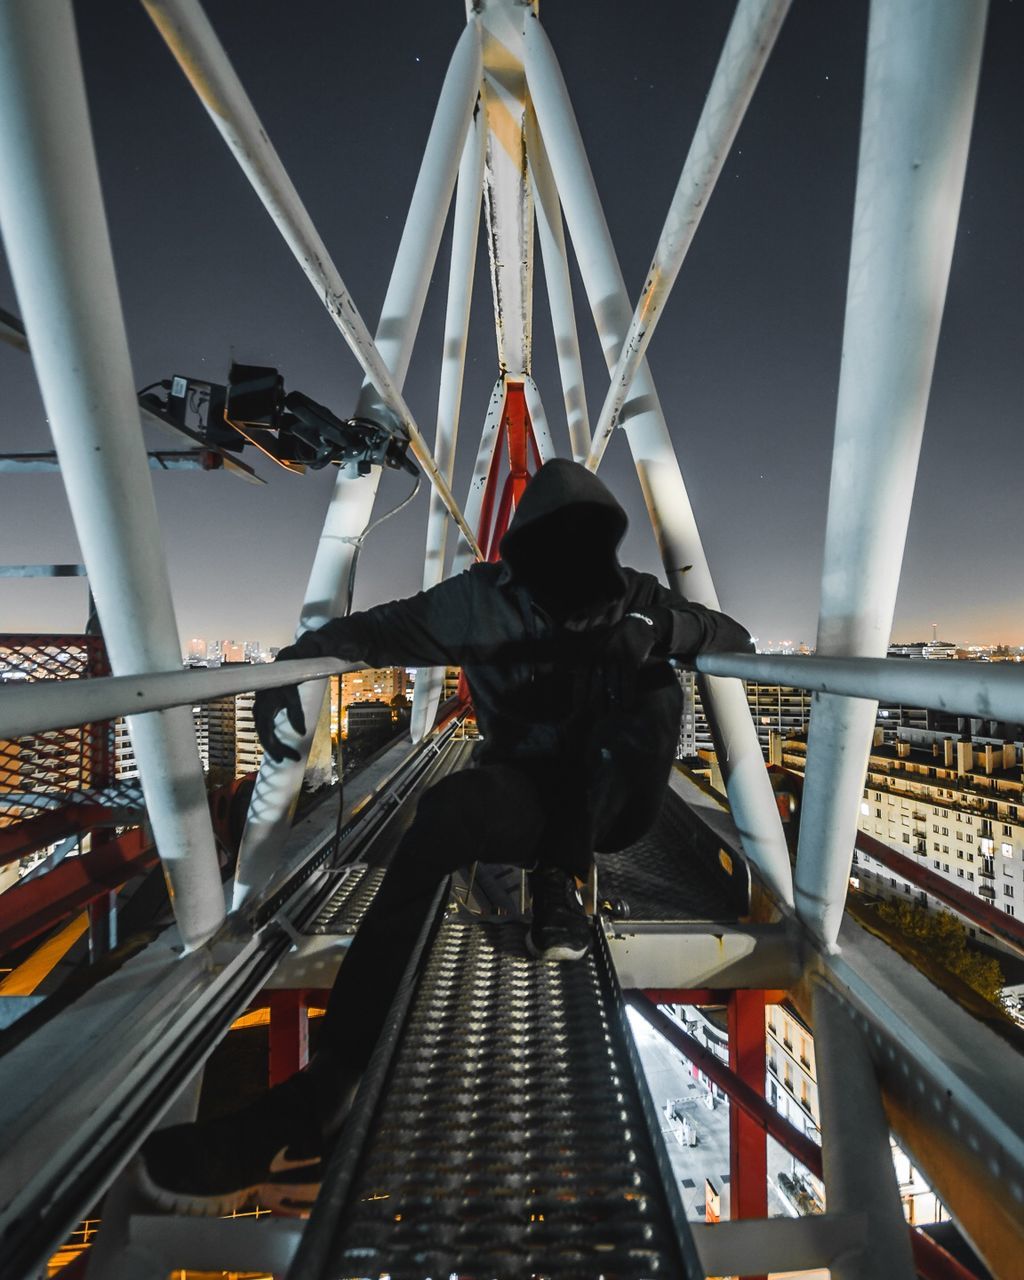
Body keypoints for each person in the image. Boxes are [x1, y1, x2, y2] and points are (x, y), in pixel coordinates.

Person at [137, 458, 753, 1217]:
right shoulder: (481, 602)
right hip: (523, 801)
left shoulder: (629, 600)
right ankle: (316, 1106)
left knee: (653, 685)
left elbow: (731, 635)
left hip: (612, 803)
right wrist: (289, 669)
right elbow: (373, 633)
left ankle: (565, 875)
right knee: (445, 814)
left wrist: (653, 628)